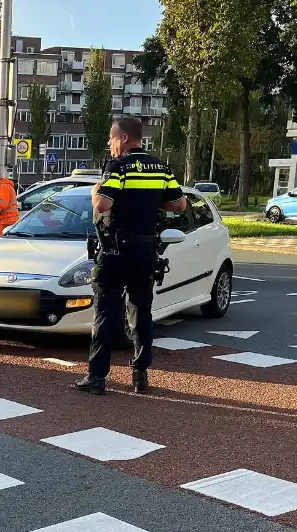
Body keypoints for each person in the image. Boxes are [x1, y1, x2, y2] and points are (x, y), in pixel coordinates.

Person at [74, 117, 186, 396]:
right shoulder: (160, 167)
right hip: (145, 251)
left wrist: (94, 192)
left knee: (106, 314)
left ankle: (97, 377)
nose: (110, 145)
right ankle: (140, 376)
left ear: (123, 138)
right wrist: (148, 201)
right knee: (141, 315)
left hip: (115, 252)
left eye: (112, 138)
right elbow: (179, 204)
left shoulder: (118, 166)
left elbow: (103, 204)